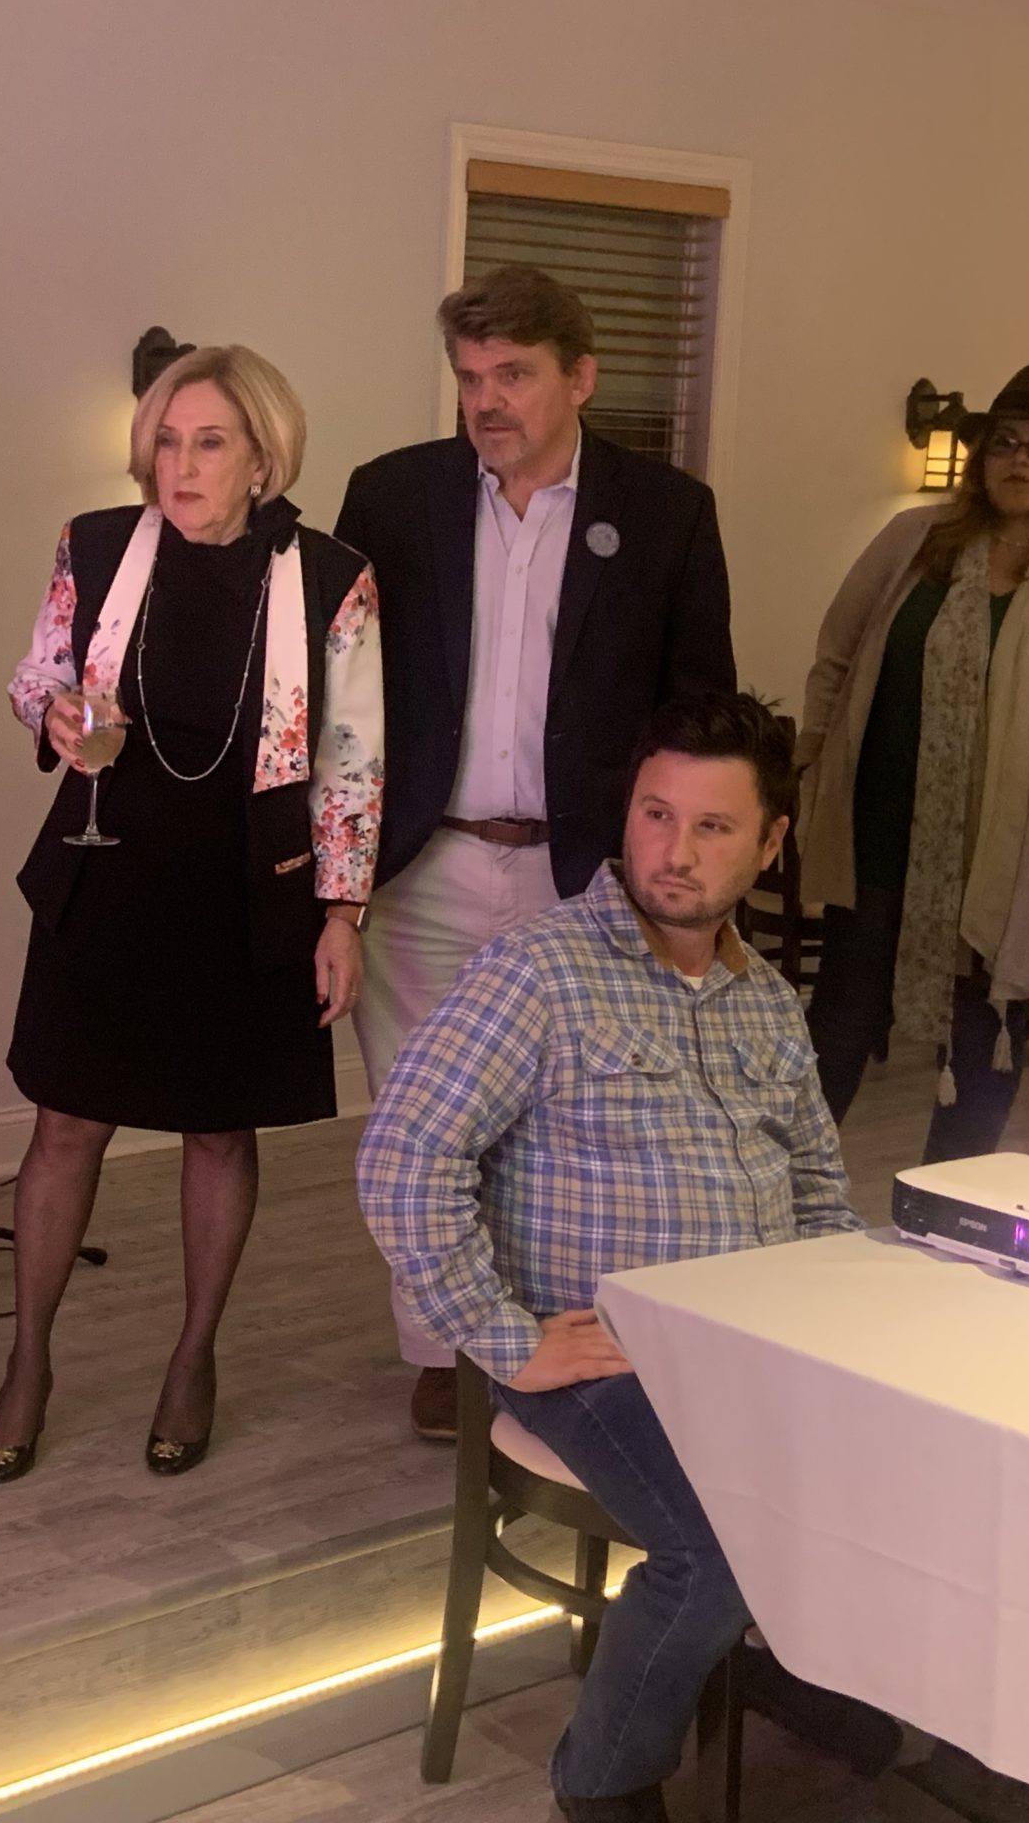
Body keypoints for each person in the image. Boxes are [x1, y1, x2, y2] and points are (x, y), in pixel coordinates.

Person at [358, 693, 859, 1823]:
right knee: (712, 1553)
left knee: (920, 1468)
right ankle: (602, 1783)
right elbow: (401, 1160)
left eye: (713, 827)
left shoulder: (768, 1002)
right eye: (654, 814)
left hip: (755, 1339)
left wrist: (859, 1339)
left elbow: (822, 1192)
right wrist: (504, 1339)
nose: (672, 854)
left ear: (771, 842)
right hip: (597, 1356)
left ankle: (792, 1680)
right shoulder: (539, 972)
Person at [333, 263, 734, 1440]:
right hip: (428, 864)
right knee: (424, 1123)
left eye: (513, 374)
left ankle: (574, 1336)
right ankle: (451, 1351)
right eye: (469, 378)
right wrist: (338, 875)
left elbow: (695, 705)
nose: (486, 401)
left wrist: (693, 876)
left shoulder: (665, 512)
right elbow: (344, 692)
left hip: (587, 875)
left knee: (576, 1119)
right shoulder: (393, 497)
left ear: (580, 377)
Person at [0, 345, 383, 1482]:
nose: (180, 463)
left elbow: (353, 758)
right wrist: (53, 708)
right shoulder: (97, 544)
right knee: (65, 1123)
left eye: (208, 442)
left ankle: (193, 1354)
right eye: (166, 439)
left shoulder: (333, 574)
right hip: (105, 870)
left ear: (263, 455)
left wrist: (341, 912)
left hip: (246, 888)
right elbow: (35, 673)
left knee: (218, 1128)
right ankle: (28, 1359)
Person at [796, 364, 1029, 1157]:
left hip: (1002, 848)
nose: (1021, 461)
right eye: (1005, 443)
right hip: (880, 823)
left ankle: (950, 1207)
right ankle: (781, 1193)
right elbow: (837, 655)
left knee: (985, 1027)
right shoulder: (917, 541)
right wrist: (809, 765)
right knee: (840, 1016)